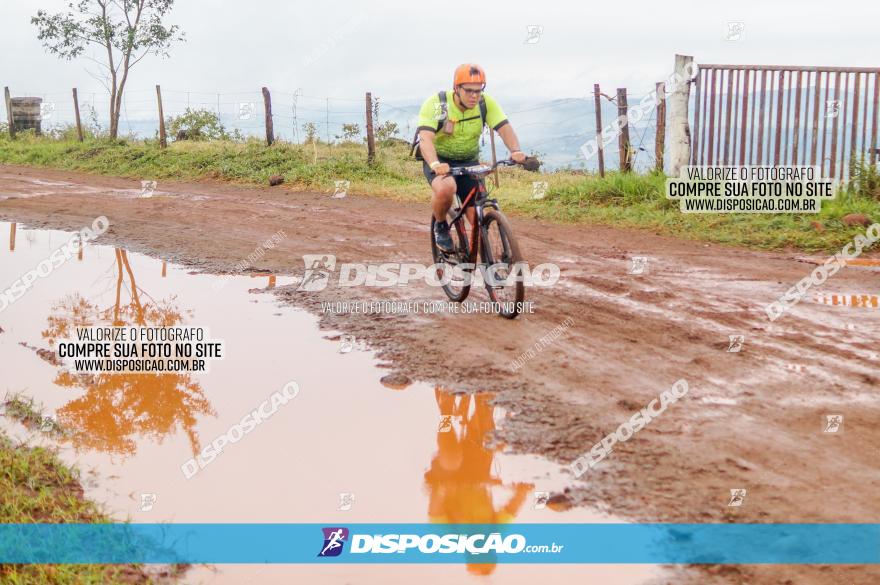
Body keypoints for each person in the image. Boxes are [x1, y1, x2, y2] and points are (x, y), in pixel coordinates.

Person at [417, 64, 526, 251]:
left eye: (478, 90)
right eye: (468, 91)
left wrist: (515, 150)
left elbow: (504, 127)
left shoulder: (484, 103)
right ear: (456, 88)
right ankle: (441, 225)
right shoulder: (439, 105)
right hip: (439, 160)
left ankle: (488, 264)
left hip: (469, 161)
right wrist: (435, 163)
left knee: (478, 218)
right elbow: (425, 138)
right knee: (446, 188)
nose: (474, 96)